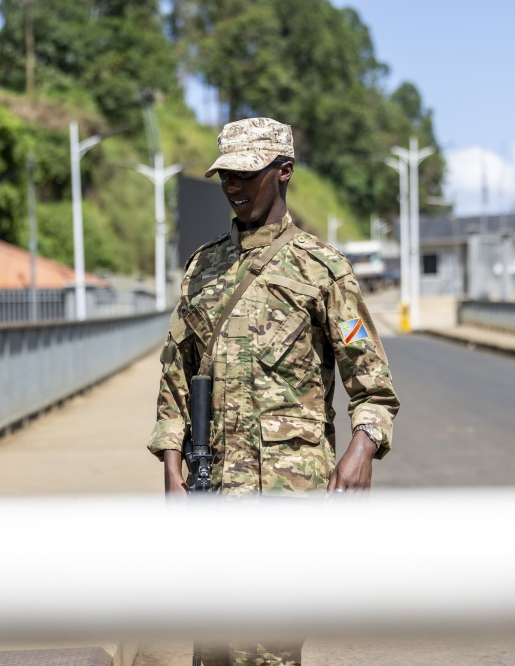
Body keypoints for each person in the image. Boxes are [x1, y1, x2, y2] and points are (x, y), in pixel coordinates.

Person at [147, 117, 400, 666]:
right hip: (211, 491)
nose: (233, 187)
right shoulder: (202, 269)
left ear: (283, 172)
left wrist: (363, 447)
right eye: (225, 177)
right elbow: (174, 375)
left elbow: (373, 386)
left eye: (245, 174)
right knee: (211, 648)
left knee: (266, 651)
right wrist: (172, 468)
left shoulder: (323, 270)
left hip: (288, 497)